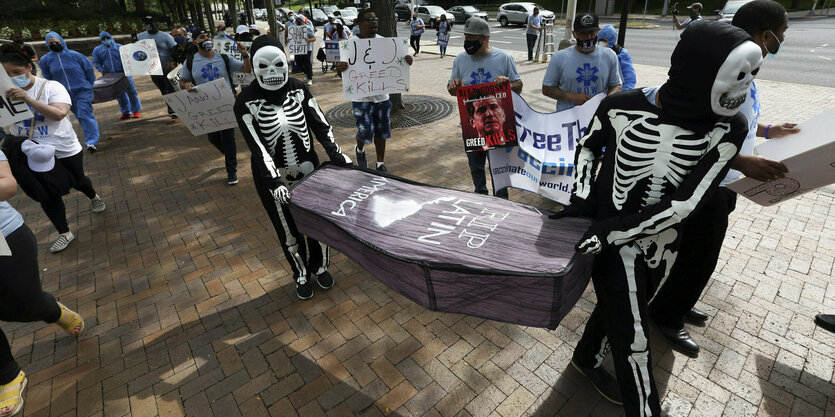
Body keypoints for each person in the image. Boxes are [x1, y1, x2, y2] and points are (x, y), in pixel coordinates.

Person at [557, 21, 759, 415]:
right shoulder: (619, 106)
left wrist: (611, 231)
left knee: (627, 305)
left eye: (752, 75)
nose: (745, 86)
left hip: (663, 241)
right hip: (611, 238)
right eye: (739, 74)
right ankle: (644, 407)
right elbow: (587, 149)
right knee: (634, 334)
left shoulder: (728, 128)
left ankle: (585, 357)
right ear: (700, 69)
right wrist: (582, 201)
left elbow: (687, 202)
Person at [651, 0, 800, 356]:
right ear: (765, 35)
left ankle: (679, 302)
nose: (782, 41)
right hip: (708, 181)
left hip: (727, 178)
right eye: (781, 35)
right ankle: (666, 315)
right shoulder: (721, 69)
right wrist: (743, 161)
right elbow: (693, 131)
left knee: (696, 253)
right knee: (700, 254)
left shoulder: (747, 67)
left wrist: (767, 130)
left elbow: (739, 118)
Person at [234, 35, 352, 300]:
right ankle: (299, 272)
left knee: (318, 223)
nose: (273, 73)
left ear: (286, 63)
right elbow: (257, 146)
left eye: (277, 64)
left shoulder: (298, 88)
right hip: (273, 179)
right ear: (253, 67)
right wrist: (274, 180)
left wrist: (337, 155)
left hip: (310, 173)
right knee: (287, 229)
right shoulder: (245, 101)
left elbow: (320, 124)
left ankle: (319, 266)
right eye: (263, 67)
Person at [0, 149, 85, 417]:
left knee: (23, 305)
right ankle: (8, 375)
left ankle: (50, 309)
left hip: (4, 236)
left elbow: (7, 185)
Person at [3, 45, 107, 253]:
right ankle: (64, 232)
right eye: (6, 74)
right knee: (45, 192)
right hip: (31, 152)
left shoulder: (51, 87)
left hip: (63, 148)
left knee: (77, 180)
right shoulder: (2, 94)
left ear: (29, 68)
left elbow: (59, 114)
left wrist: (28, 99)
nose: (12, 78)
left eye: (17, 72)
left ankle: (93, 196)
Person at [447, 17, 522, 198]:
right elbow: (452, 90)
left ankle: (502, 201)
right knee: (476, 168)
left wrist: (507, 84)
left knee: (498, 170)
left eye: (471, 38)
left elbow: (518, 86)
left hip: (498, 127)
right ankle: (480, 196)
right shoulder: (460, 60)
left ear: (485, 38)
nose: (468, 43)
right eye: (465, 37)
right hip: (473, 127)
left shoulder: (504, 58)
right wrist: (453, 86)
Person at [336, 9, 414, 173]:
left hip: (382, 98)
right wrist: (340, 69)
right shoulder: (351, 44)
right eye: (370, 19)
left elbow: (398, 64)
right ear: (359, 23)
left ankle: (380, 163)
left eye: (376, 19)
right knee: (365, 131)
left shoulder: (385, 43)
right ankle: (360, 149)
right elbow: (343, 72)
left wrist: (407, 61)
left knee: (381, 132)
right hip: (361, 99)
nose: (374, 22)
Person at [179, 29, 251, 185]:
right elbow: (182, 81)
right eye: (202, 37)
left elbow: (247, 70)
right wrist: (186, 85)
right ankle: (229, 154)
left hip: (226, 103)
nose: (206, 39)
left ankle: (231, 171)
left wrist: (245, 55)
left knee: (228, 138)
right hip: (206, 106)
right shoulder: (191, 62)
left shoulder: (224, 58)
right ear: (195, 42)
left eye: (208, 36)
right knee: (213, 138)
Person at [542, 13, 621, 112]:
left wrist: (608, 100)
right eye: (583, 33)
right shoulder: (559, 58)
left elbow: (617, 85)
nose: (588, 37)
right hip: (568, 120)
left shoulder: (609, 55)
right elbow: (547, 89)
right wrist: (571, 96)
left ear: (597, 31)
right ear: (574, 34)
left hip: (598, 117)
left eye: (592, 32)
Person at [38, 32, 100, 153]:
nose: (54, 44)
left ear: (62, 41)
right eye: (51, 43)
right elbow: (48, 76)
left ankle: (91, 141)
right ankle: (89, 132)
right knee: (79, 114)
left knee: (84, 113)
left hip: (82, 90)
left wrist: (88, 85)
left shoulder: (75, 55)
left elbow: (89, 71)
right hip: (64, 94)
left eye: (57, 42)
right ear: (47, 44)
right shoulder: (45, 60)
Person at [92, 31, 142, 120]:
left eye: (107, 38)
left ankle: (136, 110)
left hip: (124, 73)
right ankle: (126, 112)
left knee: (131, 91)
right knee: (119, 94)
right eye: (103, 39)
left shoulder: (120, 48)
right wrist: (102, 70)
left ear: (111, 37)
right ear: (100, 40)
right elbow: (96, 62)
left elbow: (129, 59)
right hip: (111, 75)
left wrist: (127, 69)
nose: (106, 40)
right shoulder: (98, 50)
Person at [137, 16, 178, 118]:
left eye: (151, 23)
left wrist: (172, 61)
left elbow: (174, 49)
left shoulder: (165, 36)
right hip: (153, 69)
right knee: (163, 89)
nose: (149, 25)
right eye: (147, 24)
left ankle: (173, 109)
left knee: (170, 88)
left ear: (157, 24)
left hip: (166, 67)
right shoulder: (141, 36)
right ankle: (172, 106)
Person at [598, 25, 636, 91]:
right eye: (600, 40)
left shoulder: (621, 54)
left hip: (615, 92)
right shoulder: (596, 51)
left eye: (604, 41)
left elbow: (629, 78)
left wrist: (620, 95)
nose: (602, 43)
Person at [286, 14, 316, 86]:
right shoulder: (293, 28)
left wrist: (309, 40)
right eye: (297, 19)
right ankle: (306, 72)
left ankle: (309, 78)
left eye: (299, 19)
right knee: (298, 63)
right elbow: (290, 38)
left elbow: (314, 38)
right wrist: (288, 40)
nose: (297, 21)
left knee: (307, 63)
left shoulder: (308, 28)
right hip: (298, 49)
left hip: (307, 49)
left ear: (302, 20)